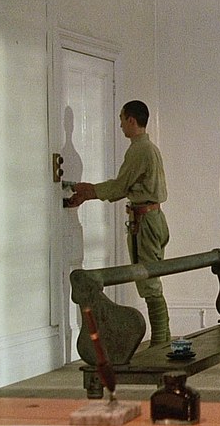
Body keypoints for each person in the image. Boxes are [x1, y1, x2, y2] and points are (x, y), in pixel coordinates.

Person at [69, 100, 171, 346]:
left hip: (145, 221)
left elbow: (120, 187)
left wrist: (89, 191)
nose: (121, 125)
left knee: (148, 280)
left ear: (131, 120)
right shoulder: (147, 148)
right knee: (151, 277)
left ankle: (160, 341)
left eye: (122, 119)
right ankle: (163, 340)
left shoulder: (140, 150)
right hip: (151, 219)